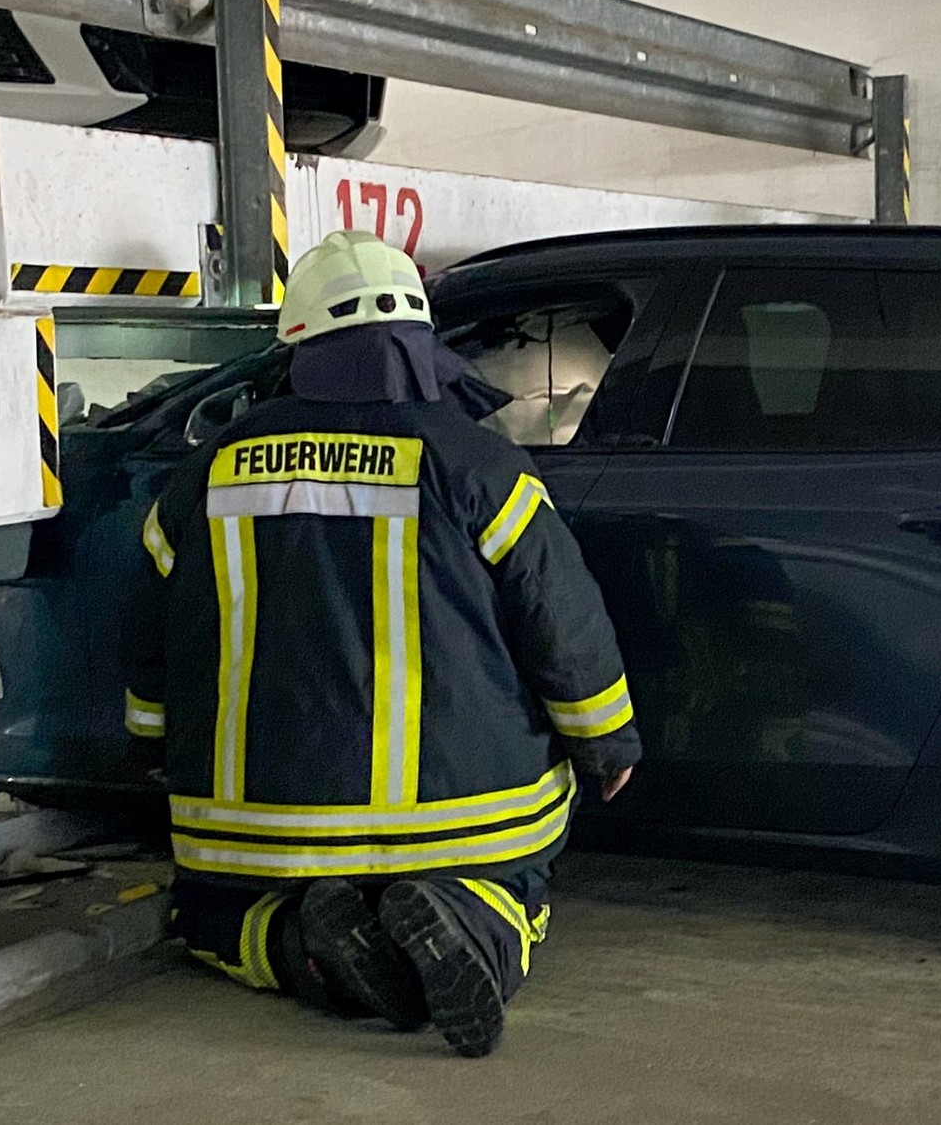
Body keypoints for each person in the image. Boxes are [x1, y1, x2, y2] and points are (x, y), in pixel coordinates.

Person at [126, 231, 641, 1057]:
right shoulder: (478, 463)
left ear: (296, 343)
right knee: (518, 885)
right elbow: (560, 616)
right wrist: (605, 742)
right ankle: (474, 921)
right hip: (463, 817)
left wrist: (150, 745)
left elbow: (148, 631)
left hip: (255, 822)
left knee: (209, 915)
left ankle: (297, 943)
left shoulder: (207, 470)